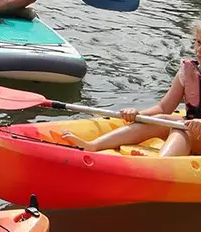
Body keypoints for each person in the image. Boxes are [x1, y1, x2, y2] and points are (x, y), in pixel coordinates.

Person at [61, 24, 201, 157]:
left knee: (180, 127)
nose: (199, 50)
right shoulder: (188, 70)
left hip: (192, 129)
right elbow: (163, 108)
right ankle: (93, 145)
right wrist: (138, 114)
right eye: (198, 43)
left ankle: (161, 166)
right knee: (159, 120)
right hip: (192, 128)